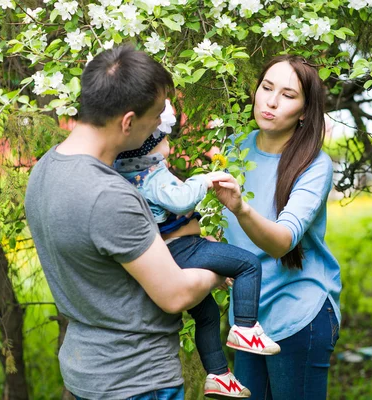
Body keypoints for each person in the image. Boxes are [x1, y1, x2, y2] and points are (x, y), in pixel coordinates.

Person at [24, 46, 225, 400]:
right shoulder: (109, 196)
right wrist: (218, 264)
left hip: (85, 373)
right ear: (129, 122)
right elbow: (175, 294)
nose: (160, 129)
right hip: (136, 381)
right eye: (157, 117)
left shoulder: (45, 170)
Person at [113, 101, 281, 399]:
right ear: (151, 146)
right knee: (249, 264)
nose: (168, 145)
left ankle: (218, 375)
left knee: (206, 315)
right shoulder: (152, 175)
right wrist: (202, 180)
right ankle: (244, 327)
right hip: (183, 249)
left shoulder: (126, 174)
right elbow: (180, 202)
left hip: (168, 254)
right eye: (164, 139)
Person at [211, 55, 342, 400]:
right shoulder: (234, 149)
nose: (270, 101)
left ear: (304, 111)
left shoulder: (314, 165)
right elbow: (218, 227)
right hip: (249, 320)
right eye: (267, 88)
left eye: (287, 95)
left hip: (298, 315)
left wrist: (240, 208)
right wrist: (220, 256)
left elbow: (282, 242)